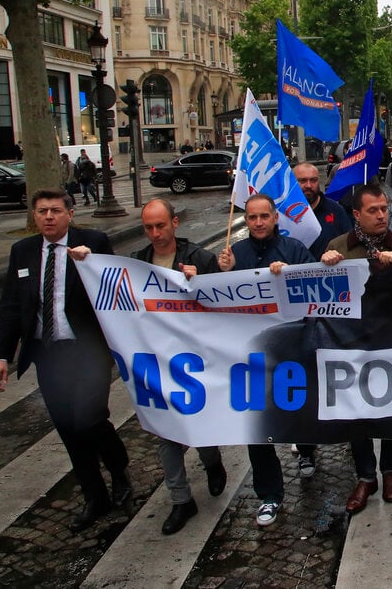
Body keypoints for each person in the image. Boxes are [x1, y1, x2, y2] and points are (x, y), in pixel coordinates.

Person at [0, 189, 131, 533]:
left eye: (55, 210)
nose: (49, 217)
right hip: (49, 354)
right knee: (68, 429)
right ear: (34, 216)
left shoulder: (92, 242)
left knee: (89, 419)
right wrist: (0, 355)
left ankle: (119, 470)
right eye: (42, 211)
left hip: (88, 351)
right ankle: (94, 496)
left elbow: (116, 289)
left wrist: (91, 262)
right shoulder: (22, 252)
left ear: (70, 213)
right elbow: (10, 306)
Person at [321, 185, 392, 513]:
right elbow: (324, 300)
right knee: (358, 410)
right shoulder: (338, 247)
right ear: (356, 214)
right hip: (353, 345)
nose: (382, 215)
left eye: (384, 208)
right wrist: (326, 265)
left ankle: (390, 469)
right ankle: (366, 475)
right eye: (373, 210)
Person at [130, 199, 227, 534]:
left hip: (194, 361)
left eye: (160, 226)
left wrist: (201, 282)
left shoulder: (199, 258)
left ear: (174, 223)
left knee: (198, 423)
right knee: (165, 432)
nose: (155, 234)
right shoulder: (137, 263)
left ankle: (212, 462)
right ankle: (181, 499)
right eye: (148, 228)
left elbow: (224, 304)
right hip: (156, 363)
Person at [218, 193, 314, 526]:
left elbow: (314, 291)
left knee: (298, 410)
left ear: (275, 218)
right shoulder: (236, 254)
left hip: (290, 350)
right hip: (250, 355)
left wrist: (292, 274)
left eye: (264, 216)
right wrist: (223, 273)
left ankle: (306, 450)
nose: (258, 223)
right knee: (257, 426)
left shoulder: (294, 251)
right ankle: (269, 495)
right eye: (252, 217)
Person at [293, 162, 352, 259]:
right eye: (303, 181)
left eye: (313, 180)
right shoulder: (283, 213)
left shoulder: (335, 209)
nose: (309, 185)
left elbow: (349, 242)